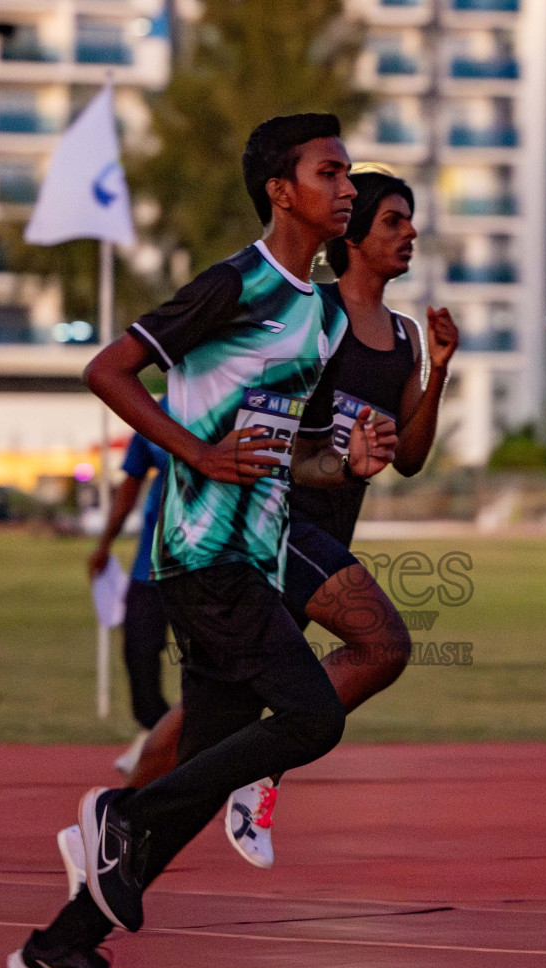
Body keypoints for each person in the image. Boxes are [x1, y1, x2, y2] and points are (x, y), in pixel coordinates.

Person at [7, 113, 396, 968]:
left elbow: (271, 448)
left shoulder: (310, 310)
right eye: (331, 172)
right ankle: (119, 814)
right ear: (280, 189)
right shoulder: (237, 283)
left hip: (252, 557)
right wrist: (192, 452)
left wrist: (342, 464)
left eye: (347, 174)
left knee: (199, 772)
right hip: (203, 555)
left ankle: (60, 946)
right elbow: (109, 371)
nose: (347, 187)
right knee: (311, 718)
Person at [79, 169, 459, 872]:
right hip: (276, 526)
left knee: (212, 711)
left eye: (409, 222)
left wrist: (436, 372)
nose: (409, 233)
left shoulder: (404, 336)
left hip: (325, 535)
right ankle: (261, 768)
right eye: (393, 221)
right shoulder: (308, 315)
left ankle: (109, 832)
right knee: (380, 649)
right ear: (351, 236)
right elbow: (259, 411)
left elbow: (408, 457)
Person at [86, 402, 173, 779]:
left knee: (207, 660)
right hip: (149, 564)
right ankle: (155, 730)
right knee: (138, 648)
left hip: (209, 561)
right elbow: (132, 479)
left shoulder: (230, 403)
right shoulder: (158, 412)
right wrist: (105, 544)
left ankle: (186, 741)